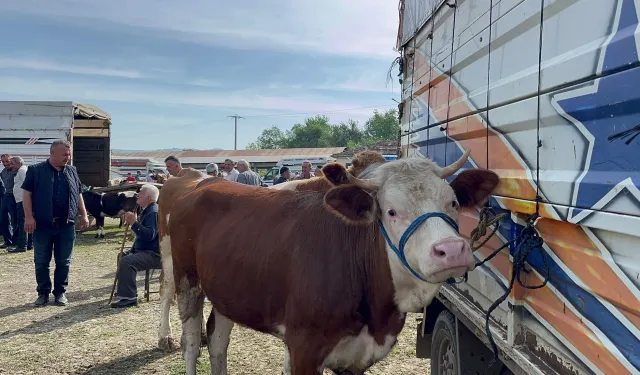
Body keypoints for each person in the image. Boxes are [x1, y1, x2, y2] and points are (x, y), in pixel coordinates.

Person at [22, 140, 90, 306]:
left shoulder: (72, 171)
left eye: (69, 154)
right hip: (43, 225)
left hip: (66, 225)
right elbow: (26, 195)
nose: (67, 158)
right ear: (51, 153)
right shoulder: (35, 171)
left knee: (64, 261)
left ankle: (60, 293)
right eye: (64, 155)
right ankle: (43, 293)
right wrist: (29, 217)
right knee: (41, 261)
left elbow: (79, 193)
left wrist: (84, 215)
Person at [111, 184, 161, 308]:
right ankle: (125, 290)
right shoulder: (148, 209)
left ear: (149, 197)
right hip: (145, 250)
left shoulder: (153, 212)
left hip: (154, 254)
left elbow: (150, 235)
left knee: (128, 262)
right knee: (122, 256)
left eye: (141, 193)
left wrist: (134, 223)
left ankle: (129, 298)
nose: (137, 194)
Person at [9, 156, 31, 253]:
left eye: (12, 163)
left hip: (23, 201)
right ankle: (29, 244)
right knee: (25, 223)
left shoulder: (22, 170)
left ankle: (22, 246)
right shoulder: (20, 170)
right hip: (20, 200)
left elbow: (28, 185)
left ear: (19, 163)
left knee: (22, 223)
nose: (11, 166)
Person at [0, 154, 16, 248]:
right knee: (3, 219)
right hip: (6, 197)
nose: (5, 163)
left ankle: (16, 241)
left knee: (15, 220)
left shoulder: (16, 171)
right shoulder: (3, 172)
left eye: (7, 161)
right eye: (3, 162)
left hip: (14, 197)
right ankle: (8, 241)